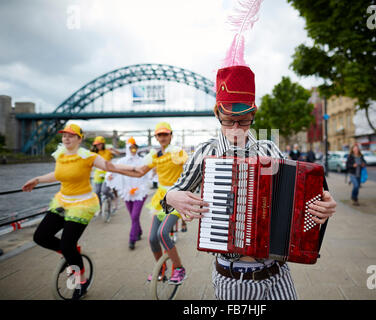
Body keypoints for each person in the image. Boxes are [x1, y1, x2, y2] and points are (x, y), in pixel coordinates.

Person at [162, 65, 337, 300]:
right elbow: (173, 193)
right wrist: (171, 197)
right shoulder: (206, 152)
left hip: (278, 271)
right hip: (234, 279)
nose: (235, 129)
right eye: (228, 121)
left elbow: (299, 196)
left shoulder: (268, 148)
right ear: (217, 115)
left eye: (243, 121)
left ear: (253, 116)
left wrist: (321, 206)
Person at [21, 123, 139, 299]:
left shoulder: (87, 156)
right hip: (62, 202)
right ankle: (70, 253)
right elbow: (58, 174)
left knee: (67, 244)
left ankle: (81, 281)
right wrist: (37, 179)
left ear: (79, 139)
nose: (66, 138)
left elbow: (109, 167)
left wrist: (136, 170)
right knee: (40, 237)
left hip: (82, 204)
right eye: (64, 135)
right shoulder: (60, 154)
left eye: (71, 135)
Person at [127, 122, 189, 284]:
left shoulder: (176, 152)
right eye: (159, 135)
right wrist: (112, 168)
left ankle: (179, 268)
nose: (162, 137)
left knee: (163, 233)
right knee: (153, 238)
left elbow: (191, 166)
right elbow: (140, 172)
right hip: (161, 198)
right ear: (156, 137)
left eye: (165, 134)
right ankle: (161, 269)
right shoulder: (155, 155)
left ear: (171, 135)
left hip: (176, 196)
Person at [106, 137, 149, 249]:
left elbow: (147, 177)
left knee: (134, 216)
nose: (133, 149)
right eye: (131, 147)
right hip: (127, 194)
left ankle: (132, 239)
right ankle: (138, 231)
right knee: (133, 217)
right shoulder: (121, 161)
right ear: (127, 148)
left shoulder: (142, 161)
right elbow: (114, 170)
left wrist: (139, 189)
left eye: (135, 147)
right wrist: (110, 176)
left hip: (140, 193)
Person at [90, 136, 120, 214]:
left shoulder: (108, 151)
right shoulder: (94, 152)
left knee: (105, 190)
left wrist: (113, 149)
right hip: (98, 173)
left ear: (103, 144)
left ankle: (113, 199)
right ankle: (99, 207)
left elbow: (118, 153)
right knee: (97, 192)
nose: (98, 146)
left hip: (108, 173)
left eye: (99, 144)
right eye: (96, 145)